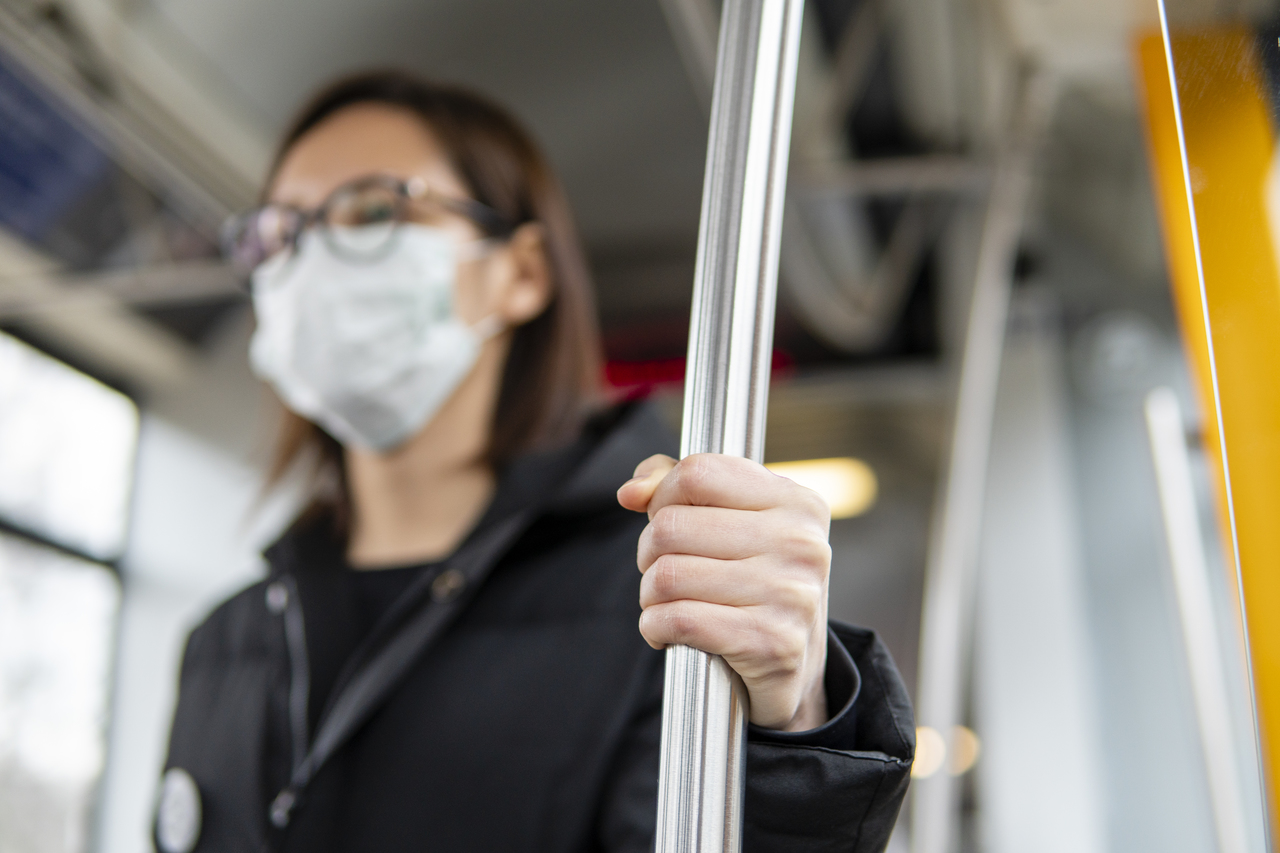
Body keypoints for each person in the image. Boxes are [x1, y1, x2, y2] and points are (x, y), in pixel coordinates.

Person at [156, 70, 913, 853]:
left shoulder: (667, 596)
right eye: (281, 232)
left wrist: (793, 722)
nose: (311, 259)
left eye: (373, 209)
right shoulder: (226, 640)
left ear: (520, 271)